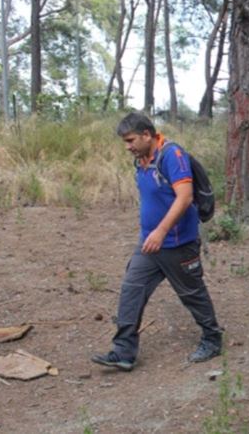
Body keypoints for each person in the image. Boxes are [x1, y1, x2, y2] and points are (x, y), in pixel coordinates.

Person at [91, 112, 223, 371]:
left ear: (147, 135)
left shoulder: (172, 156)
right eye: (125, 142)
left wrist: (161, 232)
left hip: (177, 243)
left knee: (192, 294)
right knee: (131, 289)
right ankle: (123, 352)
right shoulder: (141, 160)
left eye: (131, 140)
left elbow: (184, 197)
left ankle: (212, 338)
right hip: (149, 244)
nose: (127, 147)